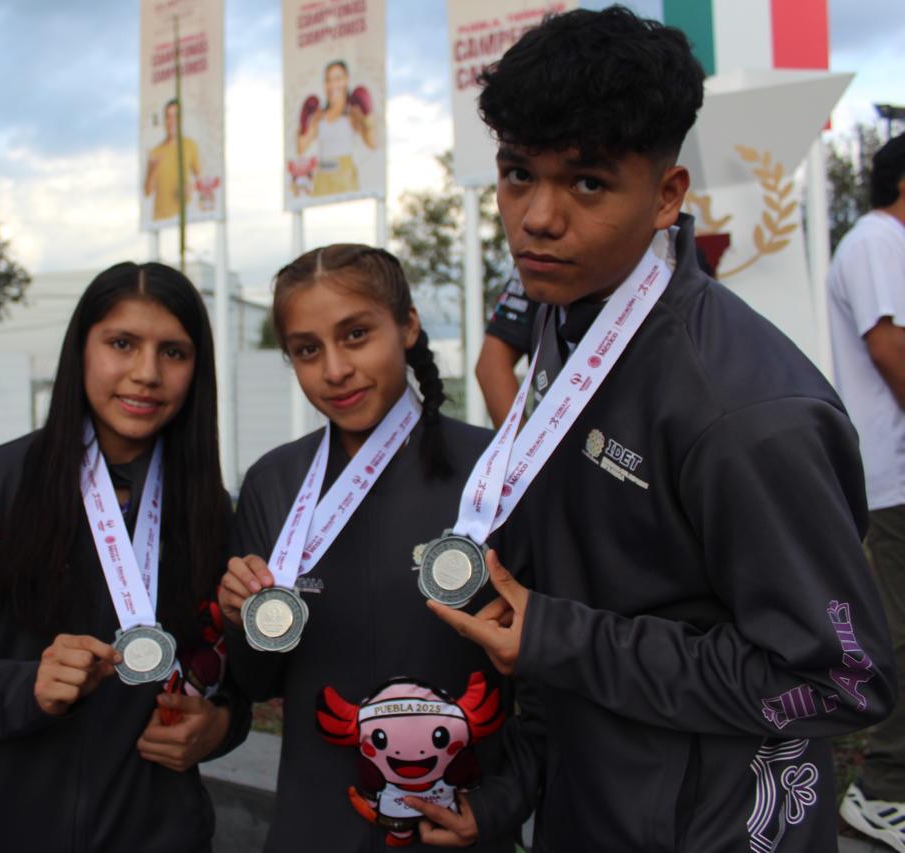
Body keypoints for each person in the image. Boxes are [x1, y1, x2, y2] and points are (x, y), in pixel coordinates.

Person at [426, 8, 897, 852]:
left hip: (716, 826)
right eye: (516, 174)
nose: (536, 216)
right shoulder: (562, 316)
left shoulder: (746, 415)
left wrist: (560, 636)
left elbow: (844, 678)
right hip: (591, 800)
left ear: (668, 195)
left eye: (588, 184)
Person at [0, 261, 250, 851]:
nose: (146, 374)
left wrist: (220, 727)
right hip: (9, 831)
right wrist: (27, 687)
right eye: (122, 343)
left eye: (173, 352)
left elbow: (230, 669)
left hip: (162, 834)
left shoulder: (210, 509)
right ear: (81, 351)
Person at [218, 244, 515, 851]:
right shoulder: (274, 483)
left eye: (355, 335)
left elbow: (548, 674)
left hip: (459, 826)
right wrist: (242, 619)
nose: (334, 369)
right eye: (307, 349)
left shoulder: (495, 471)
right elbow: (255, 681)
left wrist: (502, 804)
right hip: (314, 824)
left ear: (406, 325)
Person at [828, 133, 905, 852]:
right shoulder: (879, 239)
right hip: (894, 476)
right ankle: (882, 790)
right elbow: (889, 346)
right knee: (901, 632)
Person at [297, 60, 376, 197]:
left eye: (338, 79)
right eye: (328, 80)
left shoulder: (352, 113)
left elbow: (372, 143)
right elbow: (301, 148)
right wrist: (305, 123)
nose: (333, 85)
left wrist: (366, 117)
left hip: (345, 175)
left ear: (346, 80)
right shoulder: (319, 116)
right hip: (322, 176)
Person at [475, 276, 541, 424]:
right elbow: (491, 367)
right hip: (554, 433)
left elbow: (490, 368)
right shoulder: (538, 263)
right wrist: (527, 445)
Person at [144, 99, 201, 222]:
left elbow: (200, 179)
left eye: (175, 116)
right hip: (161, 218)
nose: (172, 121)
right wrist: (151, 169)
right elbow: (148, 192)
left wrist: (191, 187)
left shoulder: (190, 145)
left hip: (186, 214)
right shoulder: (156, 152)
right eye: (168, 117)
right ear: (164, 120)